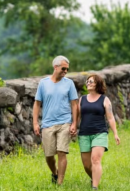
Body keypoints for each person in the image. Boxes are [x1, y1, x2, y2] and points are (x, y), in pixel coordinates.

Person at [33, 55, 78, 185]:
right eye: (63, 68)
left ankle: (60, 182)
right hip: (47, 124)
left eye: (67, 69)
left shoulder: (69, 83)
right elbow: (37, 104)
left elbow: (74, 104)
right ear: (55, 67)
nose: (65, 71)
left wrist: (74, 123)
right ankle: (54, 173)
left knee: (61, 152)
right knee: (48, 155)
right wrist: (35, 123)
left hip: (65, 122)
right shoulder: (43, 83)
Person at [78, 74, 120, 190]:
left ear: (98, 83)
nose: (88, 83)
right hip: (84, 133)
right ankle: (94, 178)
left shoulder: (104, 99)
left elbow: (110, 118)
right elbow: (77, 116)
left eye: (91, 81)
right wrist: (72, 127)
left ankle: (95, 187)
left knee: (95, 159)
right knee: (86, 164)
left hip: (100, 133)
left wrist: (115, 133)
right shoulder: (82, 99)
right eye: (87, 82)